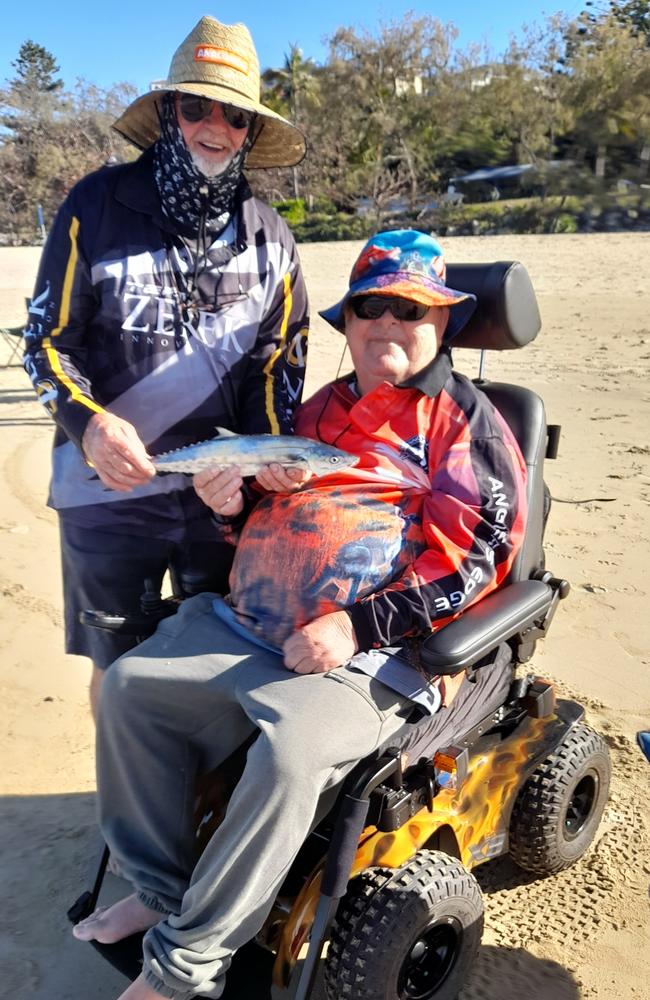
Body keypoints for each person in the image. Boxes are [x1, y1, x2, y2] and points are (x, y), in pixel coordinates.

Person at [72, 230, 528, 1000]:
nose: (387, 322)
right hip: (249, 619)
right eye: (369, 306)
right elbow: (269, 512)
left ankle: (186, 966)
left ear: (443, 322)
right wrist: (234, 501)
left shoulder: (464, 422)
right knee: (127, 690)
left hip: (374, 651)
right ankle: (159, 887)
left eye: (410, 309)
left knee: (288, 754)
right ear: (348, 322)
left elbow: (477, 561)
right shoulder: (319, 407)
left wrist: (358, 627)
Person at [22, 15, 309, 716]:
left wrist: (266, 461)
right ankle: (125, 818)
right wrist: (88, 428)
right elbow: (47, 342)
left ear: (249, 131)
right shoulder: (95, 205)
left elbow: (278, 367)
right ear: (168, 112)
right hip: (105, 500)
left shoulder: (273, 239)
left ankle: (205, 817)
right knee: (116, 674)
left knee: (224, 665)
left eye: (235, 114)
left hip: (221, 503)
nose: (216, 125)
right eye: (196, 106)